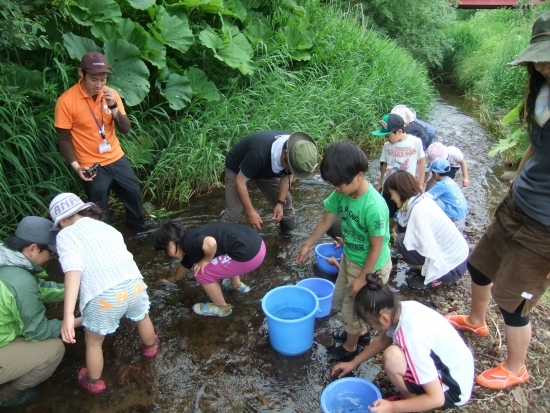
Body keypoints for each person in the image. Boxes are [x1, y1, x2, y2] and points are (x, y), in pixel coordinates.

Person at [446, 11, 550, 391]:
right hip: (519, 203)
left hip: (545, 225)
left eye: (548, 57)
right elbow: (534, 150)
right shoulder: (541, 92)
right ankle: (476, 319)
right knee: (480, 264)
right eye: (538, 58)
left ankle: (516, 366)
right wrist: (513, 187)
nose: (542, 65)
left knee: (513, 298)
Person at [50, 193, 159, 394]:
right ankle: (151, 348)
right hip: (134, 285)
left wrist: (67, 316)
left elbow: (73, 270)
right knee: (143, 317)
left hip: (105, 297)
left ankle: (94, 382)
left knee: (93, 343)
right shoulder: (107, 227)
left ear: (64, 220)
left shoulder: (66, 235)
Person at [296, 141, 391, 360]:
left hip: (371, 267)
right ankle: (360, 333)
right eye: (334, 185)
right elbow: (327, 219)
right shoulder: (342, 194)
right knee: (340, 297)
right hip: (350, 257)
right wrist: (308, 244)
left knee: (353, 307)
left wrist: (362, 279)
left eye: (340, 185)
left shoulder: (374, 207)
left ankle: (350, 347)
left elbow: (376, 248)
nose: (337, 189)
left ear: (359, 175)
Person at [332, 273, 474, 412]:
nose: (370, 327)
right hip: (459, 372)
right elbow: (383, 340)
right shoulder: (405, 308)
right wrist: (353, 363)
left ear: (384, 318)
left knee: (391, 357)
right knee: (393, 351)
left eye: (369, 323)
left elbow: (437, 399)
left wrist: (392, 408)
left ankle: (411, 402)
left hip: (451, 392)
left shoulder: (411, 338)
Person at [55, 52, 146, 229]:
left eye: (103, 79)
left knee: (133, 195)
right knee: (99, 210)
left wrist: (113, 106)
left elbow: (125, 129)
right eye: (94, 80)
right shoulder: (66, 101)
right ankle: (103, 240)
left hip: (116, 157)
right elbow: (63, 138)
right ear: (81, 73)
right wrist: (76, 166)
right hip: (91, 164)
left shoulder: (111, 95)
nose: (99, 85)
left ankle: (139, 233)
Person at [0, 217, 78, 409]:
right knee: (54, 349)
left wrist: (77, 289)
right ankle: (7, 395)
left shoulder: (7, 258)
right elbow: (38, 332)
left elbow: (37, 288)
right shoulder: (20, 281)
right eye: (50, 252)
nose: (52, 257)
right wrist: (78, 321)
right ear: (33, 249)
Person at [153, 221, 266, 317]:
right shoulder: (190, 238)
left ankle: (222, 308)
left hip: (249, 257)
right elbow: (185, 264)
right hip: (258, 245)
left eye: (165, 250)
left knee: (201, 272)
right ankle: (237, 285)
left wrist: (206, 260)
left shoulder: (189, 244)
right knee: (223, 254)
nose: (167, 254)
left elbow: (210, 243)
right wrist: (173, 280)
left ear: (171, 241)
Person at [384, 171, 468, 291]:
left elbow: (428, 247)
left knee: (401, 241)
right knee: (405, 235)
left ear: (399, 191)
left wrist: (428, 271)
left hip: (453, 268)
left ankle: (434, 278)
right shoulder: (422, 200)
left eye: (392, 193)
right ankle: (425, 268)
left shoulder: (418, 211)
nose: (391, 198)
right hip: (461, 260)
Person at [221, 130, 318, 232]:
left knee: (286, 203)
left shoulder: (297, 151)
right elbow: (240, 182)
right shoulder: (259, 153)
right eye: (290, 168)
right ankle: (215, 243)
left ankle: (286, 241)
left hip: (265, 170)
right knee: (233, 214)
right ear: (284, 154)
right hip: (237, 168)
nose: (290, 171)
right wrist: (250, 212)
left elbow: (287, 175)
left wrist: (280, 203)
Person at [373, 114, 425, 229]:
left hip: (406, 186)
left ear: (399, 131)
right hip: (389, 186)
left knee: (405, 211)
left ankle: (399, 230)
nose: (386, 139)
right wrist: (381, 183)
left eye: (387, 136)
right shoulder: (387, 146)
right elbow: (384, 165)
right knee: (387, 210)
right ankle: (387, 231)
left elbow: (421, 162)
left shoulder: (415, 142)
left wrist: (420, 184)